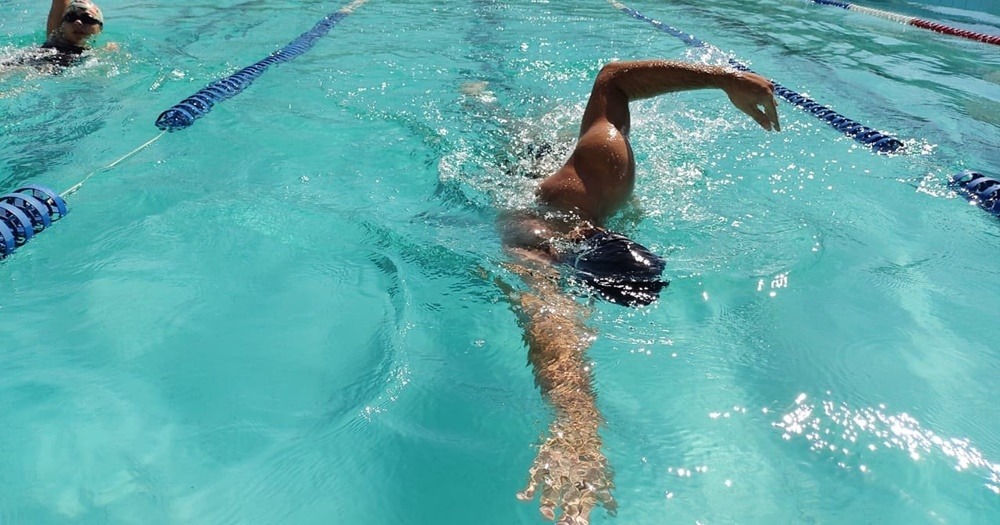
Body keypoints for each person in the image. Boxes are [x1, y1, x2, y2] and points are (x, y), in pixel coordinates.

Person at [499, 60, 780, 524]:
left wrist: (726, 80)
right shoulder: (536, 236)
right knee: (504, 131)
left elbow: (617, 80)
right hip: (525, 184)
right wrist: (577, 430)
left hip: (562, 182)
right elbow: (550, 324)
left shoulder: (609, 173)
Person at [40, 0, 107, 67]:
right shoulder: (55, 39)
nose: (77, 22)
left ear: (100, 28)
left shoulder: (99, 53)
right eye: (71, 17)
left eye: (87, 18)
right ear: (63, 25)